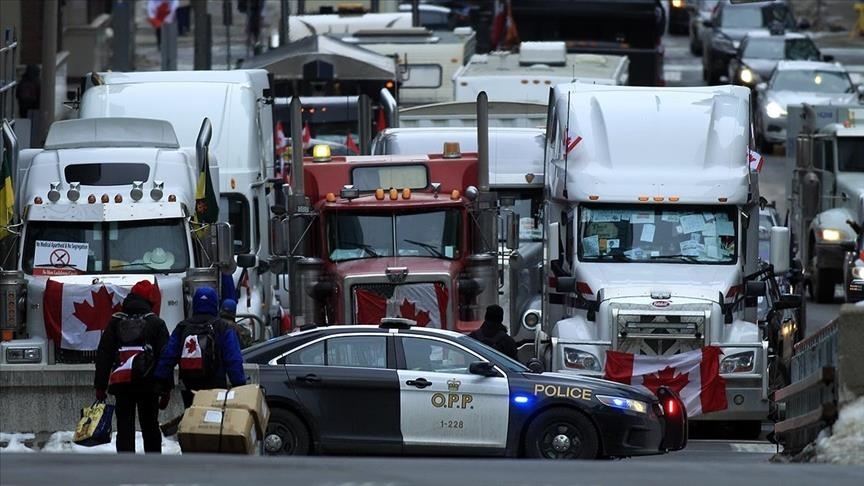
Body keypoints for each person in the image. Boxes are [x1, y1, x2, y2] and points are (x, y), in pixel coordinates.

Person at [94, 280, 169, 454]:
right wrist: (166, 389)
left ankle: (126, 466)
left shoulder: (115, 322)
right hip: (148, 384)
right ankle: (153, 464)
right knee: (150, 426)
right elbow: (165, 357)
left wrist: (100, 386)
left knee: (124, 427)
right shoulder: (156, 323)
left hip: (122, 383)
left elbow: (104, 355)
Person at [154, 286, 247, 408]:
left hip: (188, 383)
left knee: (191, 414)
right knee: (213, 416)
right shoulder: (223, 327)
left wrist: (160, 380)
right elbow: (233, 358)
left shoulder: (183, 327)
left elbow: (168, 355)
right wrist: (239, 383)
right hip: (216, 383)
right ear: (215, 304)